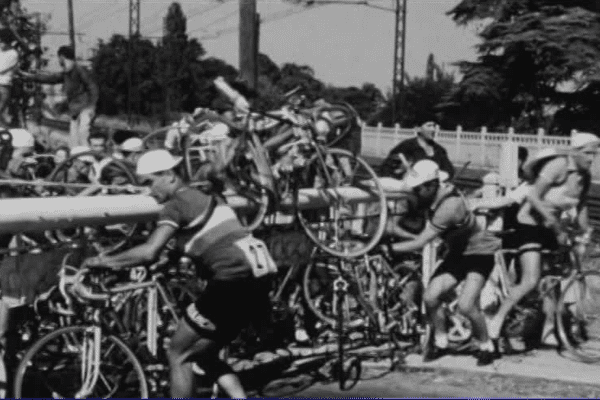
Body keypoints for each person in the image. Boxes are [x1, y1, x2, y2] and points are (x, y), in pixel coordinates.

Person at [84, 149, 273, 398]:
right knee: (203, 352)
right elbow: (200, 235)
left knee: (178, 353)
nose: (150, 192)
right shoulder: (205, 195)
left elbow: (150, 251)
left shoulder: (176, 204)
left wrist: (101, 261)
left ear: (170, 176)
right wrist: (170, 258)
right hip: (261, 274)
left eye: (150, 183)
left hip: (233, 278)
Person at [483, 133, 598, 345]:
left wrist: (585, 232)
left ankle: (549, 330)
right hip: (529, 223)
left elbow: (581, 207)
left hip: (552, 227)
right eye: (588, 152)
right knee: (531, 279)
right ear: (575, 151)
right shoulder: (558, 166)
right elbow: (534, 197)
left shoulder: (585, 176)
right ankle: (495, 323)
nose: (591, 158)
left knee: (554, 281)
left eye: (595, 153)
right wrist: (556, 226)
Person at [390, 159, 500, 366]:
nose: (414, 193)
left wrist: (387, 248)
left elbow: (421, 241)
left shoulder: (449, 206)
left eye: (417, 189)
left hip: (480, 253)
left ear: (431, 185)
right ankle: (441, 342)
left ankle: (487, 346)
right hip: (458, 254)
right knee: (431, 297)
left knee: (467, 305)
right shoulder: (436, 195)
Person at [19, 46, 99, 147]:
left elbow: (92, 87)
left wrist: (92, 106)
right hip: (75, 109)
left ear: (61, 57)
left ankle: (87, 158)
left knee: (83, 134)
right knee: (74, 138)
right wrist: (30, 76)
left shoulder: (79, 70)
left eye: (59, 58)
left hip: (85, 107)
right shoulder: (67, 72)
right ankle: (76, 158)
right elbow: (51, 78)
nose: (58, 61)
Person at [380, 121, 454, 180]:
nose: (433, 129)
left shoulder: (439, 150)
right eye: (429, 126)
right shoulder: (406, 146)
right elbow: (386, 168)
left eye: (434, 126)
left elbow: (448, 171)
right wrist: (400, 171)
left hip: (433, 191)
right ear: (418, 129)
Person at [0, 29, 18, 127]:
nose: (0, 43)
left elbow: (1, 69)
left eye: (2, 41)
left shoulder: (13, 54)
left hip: (3, 87)